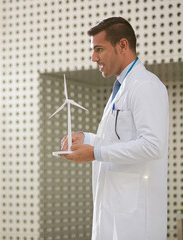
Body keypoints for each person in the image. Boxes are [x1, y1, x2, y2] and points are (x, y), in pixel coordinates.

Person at [60, 17, 168, 240]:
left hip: (136, 219)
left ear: (122, 45)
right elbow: (121, 139)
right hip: (117, 207)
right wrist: (87, 138)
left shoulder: (145, 85)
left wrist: (95, 152)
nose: (93, 58)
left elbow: (153, 145)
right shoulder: (122, 87)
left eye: (99, 49)